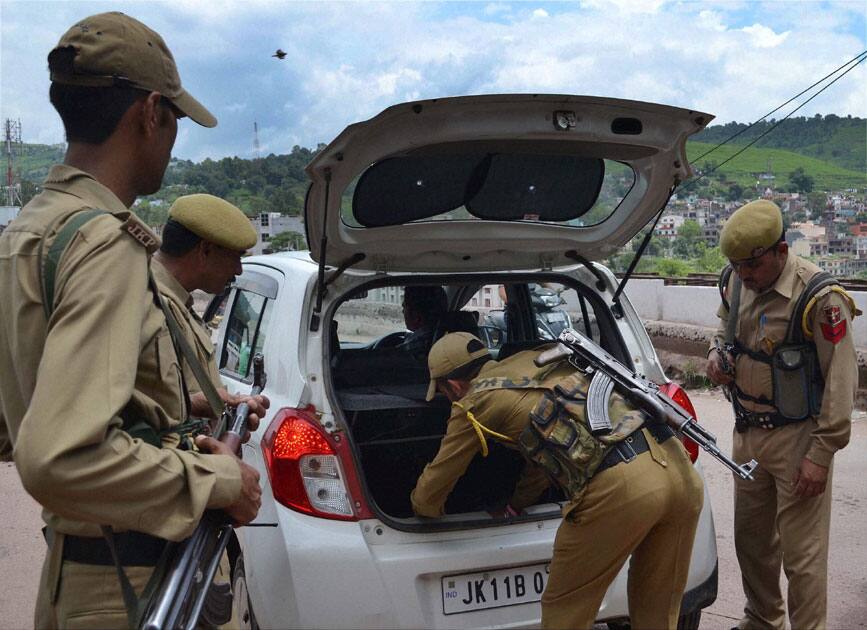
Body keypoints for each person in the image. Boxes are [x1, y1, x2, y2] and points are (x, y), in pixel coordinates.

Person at [0, 12, 264, 628]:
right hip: (134, 584)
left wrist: (163, 424)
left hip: (81, 574)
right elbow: (56, 457)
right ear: (150, 114)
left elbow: (15, 427)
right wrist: (214, 480)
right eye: (173, 121)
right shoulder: (105, 244)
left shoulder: (29, 233)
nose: (172, 140)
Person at [412, 332, 704, 629]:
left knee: (565, 612)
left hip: (624, 488)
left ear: (453, 385)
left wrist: (423, 513)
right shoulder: (537, 358)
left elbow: (435, 483)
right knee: (657, 610)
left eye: (444, 394)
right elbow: (544, 455)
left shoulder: (473, 402)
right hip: (681, 472)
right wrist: (516, 505)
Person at [706, 199, 857, 630]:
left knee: (801, 556)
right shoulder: (736, 284)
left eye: (751, 265)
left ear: (781, 251)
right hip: (747, 433)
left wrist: (821, 454)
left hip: (798, 441)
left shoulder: (820, 298)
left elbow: (841, 384)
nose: (744, 275)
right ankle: (762, 621)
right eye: (736, 266)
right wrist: (717, 356)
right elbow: (722, 330)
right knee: (752, 543)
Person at [152, 194, 268, 627]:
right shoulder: (146, 304)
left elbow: (158, 395)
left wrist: (216, 403)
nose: (238, 270)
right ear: (204, 250)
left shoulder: (172, 301)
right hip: (161, 523)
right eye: (234, 258)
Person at [398, 285, 448, 355]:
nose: (402, 312)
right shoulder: (454, 340)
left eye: (404, 307)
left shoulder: (408, 351)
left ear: (415, 317)